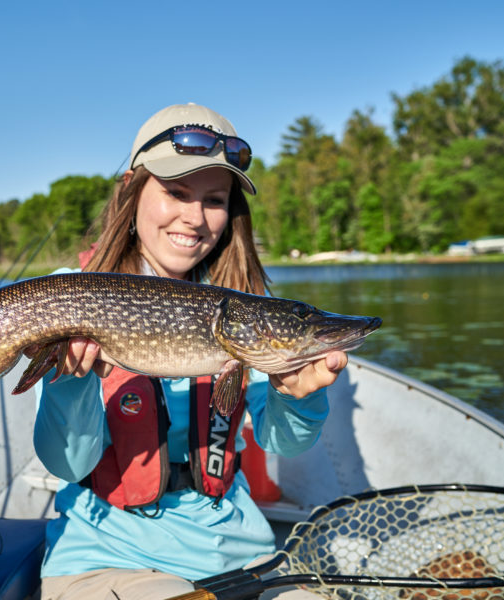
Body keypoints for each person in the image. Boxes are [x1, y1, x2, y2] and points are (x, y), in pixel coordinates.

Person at [31, 103, 347, 600]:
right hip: (107, 558)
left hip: (243, 553)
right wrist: (70, 383)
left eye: (215, 199)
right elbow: (69, 465)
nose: (195, 218)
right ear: (131, 191)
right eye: (176, 192)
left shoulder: (247, 311)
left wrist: (299, 397)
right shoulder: (68, 295)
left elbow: (283, 443)